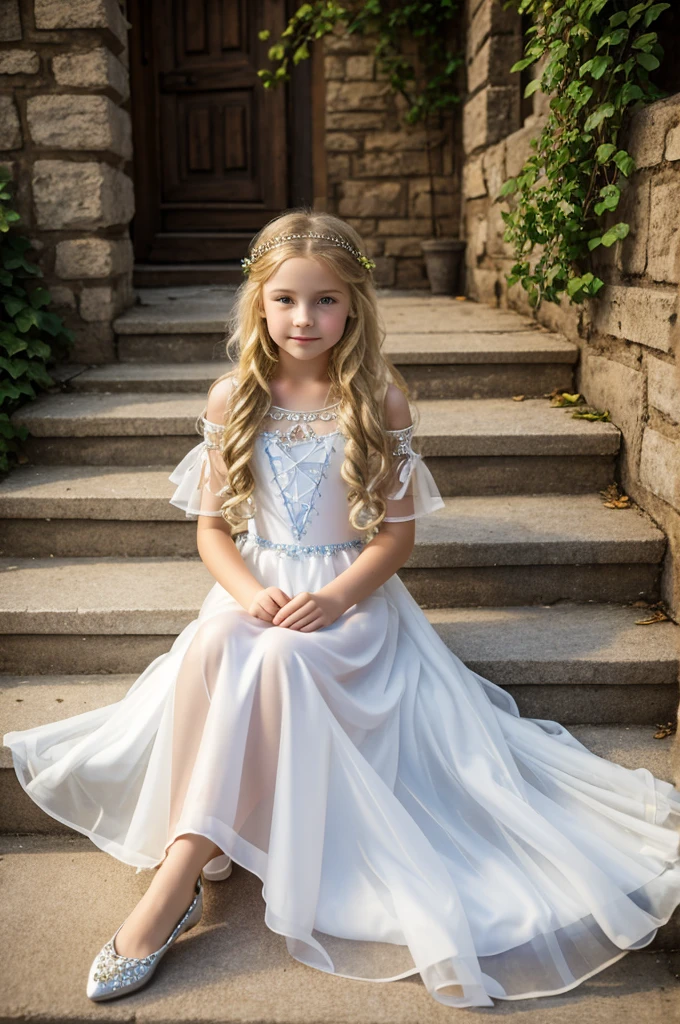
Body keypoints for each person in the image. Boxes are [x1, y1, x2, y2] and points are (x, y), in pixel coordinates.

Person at [4, 208, 680, 1009]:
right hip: (256, 587)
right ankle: (198, 856)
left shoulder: (378, 399)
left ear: (353, 306)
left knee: (282, 657)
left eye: (324, 301)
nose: (304, 318)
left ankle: (176, 879)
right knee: (219, 639)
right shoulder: (234, 398)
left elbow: (393, 541)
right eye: (286, 299)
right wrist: (250, 591)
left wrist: (333, 595)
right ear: (260, 303)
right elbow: (212, 531)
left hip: (349, 602)